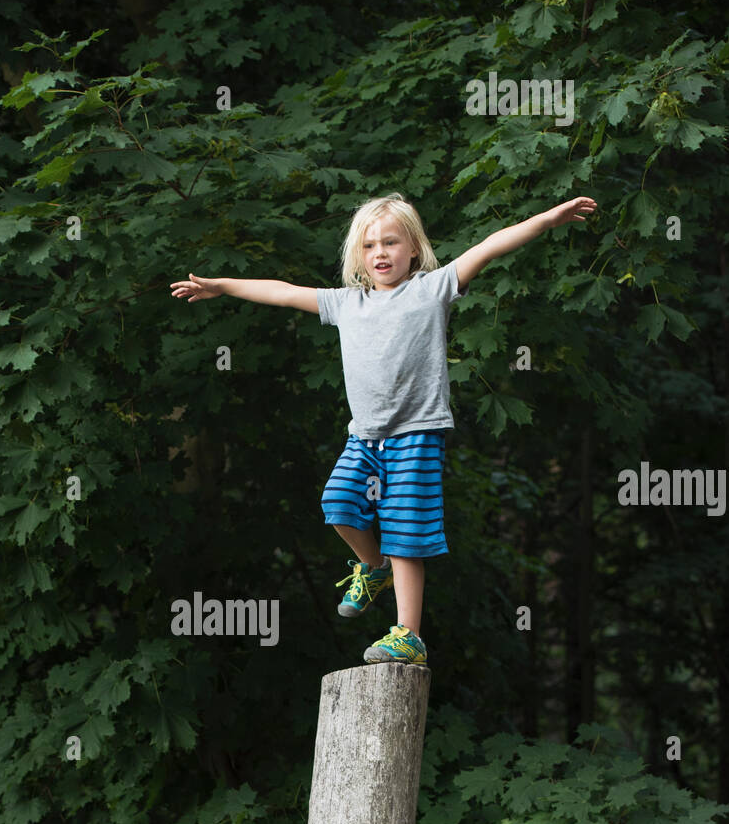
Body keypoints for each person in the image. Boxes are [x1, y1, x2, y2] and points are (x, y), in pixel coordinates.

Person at [170, 192, 596, 665]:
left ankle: (407, 635)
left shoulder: (433, 289)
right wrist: (223, 286)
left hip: (416, 433)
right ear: (359, 256)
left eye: (391, 242)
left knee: (404, 532)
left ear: (413, 248)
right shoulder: (346, 303)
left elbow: (491, 245)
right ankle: (372, 568)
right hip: (364, 437)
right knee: (337, 504)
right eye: (370, 245)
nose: (380, 253)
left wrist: (548, 218)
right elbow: (284, 292)